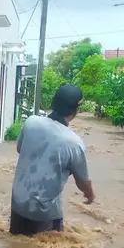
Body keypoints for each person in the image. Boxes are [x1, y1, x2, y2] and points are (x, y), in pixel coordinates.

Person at [10, 84, 95, 236]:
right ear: (75, 110)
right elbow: (82, 182)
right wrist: (90, 195)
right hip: (44, 211)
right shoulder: (74, 143)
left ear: (53, 103)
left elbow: (19, 149)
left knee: (17, 246)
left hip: (18, 202)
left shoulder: (31, 122)